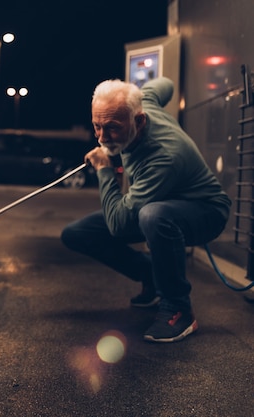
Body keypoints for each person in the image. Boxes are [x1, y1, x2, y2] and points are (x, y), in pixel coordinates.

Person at [61, 77, 231, 343]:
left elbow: (119, 226)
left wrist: (105, 169)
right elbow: (166, 83)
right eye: (97, 127)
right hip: (161, 204)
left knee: (152, 216)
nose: (103, 138)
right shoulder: (145, 99)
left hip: (205, 211)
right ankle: (153, 277)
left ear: (139, 121)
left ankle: (178, 309)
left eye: (113, 128)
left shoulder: (163, 156)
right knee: (76, 233)